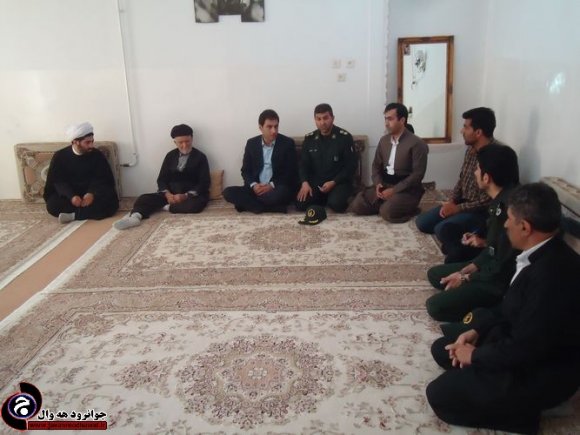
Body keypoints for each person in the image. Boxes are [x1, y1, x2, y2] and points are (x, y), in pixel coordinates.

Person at [426, 183, 580, 434]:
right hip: (519, 339)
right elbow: (511, 305)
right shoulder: (541, 252)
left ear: (525, 227)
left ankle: (526, 416)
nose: (505, 225)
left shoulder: (551, 276)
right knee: (442, 349)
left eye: (509, 219)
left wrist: (475, 356)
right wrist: (477, 330)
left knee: (440, 395)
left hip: (542, 370)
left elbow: (525, 349)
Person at [425, 144, 520, 322]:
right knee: (435, 275)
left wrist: (466, 277)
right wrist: (472, 266)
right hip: (490, 263)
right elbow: (492, 249)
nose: (475, 173)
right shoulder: (499, 201)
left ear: (486, 177)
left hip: (498, 281)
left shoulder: (509, 213)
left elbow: (500, 266)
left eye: (477, 169)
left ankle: (489, 310)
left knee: (435, 306)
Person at [416, 107, 508, 262]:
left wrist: (458, 209)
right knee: (423, 222)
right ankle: (457, 233)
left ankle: (465, 247)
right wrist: (452, 201)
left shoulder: (496, 156)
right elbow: (462, 178)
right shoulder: (471, 149)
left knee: (441, 229)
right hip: (462, 202)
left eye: (465, 127)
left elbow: (491, 198)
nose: (461, 131)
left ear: (478, 132)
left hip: (481, 211)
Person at [113, 124, 210, 230]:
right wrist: (167, 194)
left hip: (190, 196)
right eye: (180, 142)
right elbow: (162, 179)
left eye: (187, 141)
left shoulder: (201, 157)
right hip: (170, 194)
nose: (184, 145)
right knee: (143, 198)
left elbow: (204, 182)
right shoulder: (170, 156)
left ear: (192, 139)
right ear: (175, 142)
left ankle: (165, 207)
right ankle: (135, 217)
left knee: (194, 206)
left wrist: (185, 195)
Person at [349, 103, 428, 223]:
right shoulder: (384, 141)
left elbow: (417, 175)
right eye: (385, 119)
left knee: (387, 212)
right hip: (385, 185)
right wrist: (378, 184)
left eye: (390, 119)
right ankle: (389, 203)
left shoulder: (417, 143)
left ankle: (407, 208)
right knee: (357, 205)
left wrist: (394, 190)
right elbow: (376, 166)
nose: (386, 123)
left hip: (407, 189)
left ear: (402, 120)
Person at [222, 109, 297, 213]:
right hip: (256, 189)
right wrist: (254, 185)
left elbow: (290, 172)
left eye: (276, 126)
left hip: (276, 188)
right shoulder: (251, 143)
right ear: (261, 128)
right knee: (227, 192)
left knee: (282, 193)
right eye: (269, 127)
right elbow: (245, 171)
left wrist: (271, 186)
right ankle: (269, 208)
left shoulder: (287, 143)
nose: (274, 131)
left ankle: (249, 205)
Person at [43, 122, 118, 223]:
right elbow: (58, 181)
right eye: (87, 142)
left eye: (92, 141)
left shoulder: (97, 155)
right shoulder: (60, 156)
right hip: (71, 195)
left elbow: (102, 178)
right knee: (52, 205)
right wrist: (71, 196)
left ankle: (73, 215)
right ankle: (86, 213)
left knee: (111, 203)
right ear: (76, 142)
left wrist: (91, 193)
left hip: (92, 194)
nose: (91, 145)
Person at [296, 103, 356, 213]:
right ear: (315, 120)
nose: (322, 122)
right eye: (318, 119)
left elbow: (350, 166)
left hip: (338, 182)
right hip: (317, 183)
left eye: (325, 118)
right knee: (301, 204)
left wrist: (334, 182)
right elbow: (303, 164)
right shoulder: (309, 139)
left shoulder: (344, 137)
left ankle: (329, 199)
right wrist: (305, 183)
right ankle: (323, 199)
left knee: (337, 204)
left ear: (332, 118)